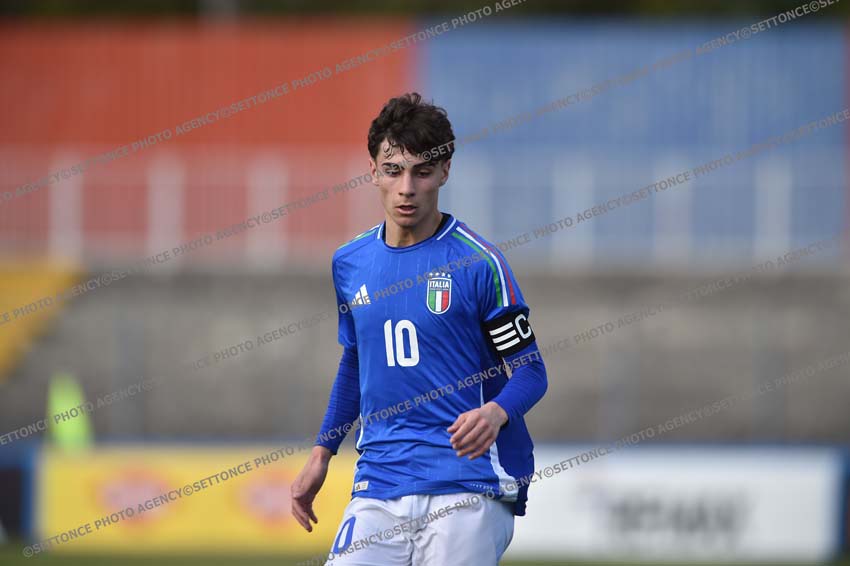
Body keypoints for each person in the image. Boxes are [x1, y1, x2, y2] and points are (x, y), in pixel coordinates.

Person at [290, 92, 548, 565]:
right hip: (378, 481)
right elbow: (356, 362)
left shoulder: (479, 263)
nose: (406, 188)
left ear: (444, 171)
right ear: (373, 171)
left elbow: (531, 372)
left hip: (466, 482)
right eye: (393, 171)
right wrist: (322, 452)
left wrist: (495, 413)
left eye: (422, 172)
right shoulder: (350, 263)